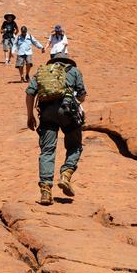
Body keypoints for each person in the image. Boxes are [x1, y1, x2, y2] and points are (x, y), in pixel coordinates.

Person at [25, 52, 87, 206]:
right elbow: (82, 95)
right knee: (74, 145)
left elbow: (30, 92)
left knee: (47, 150)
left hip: (47, 114)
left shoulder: (42, 71)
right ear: (67, 60)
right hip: (67, 113)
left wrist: (30, 116)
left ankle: (46, 190)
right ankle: (66, 174)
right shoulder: (74, 71)